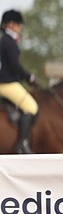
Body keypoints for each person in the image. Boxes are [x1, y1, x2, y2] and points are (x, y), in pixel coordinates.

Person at [0, 9, 38, 154]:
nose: (20, 27)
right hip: (6, 83)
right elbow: (15, 66)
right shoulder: (8, 42)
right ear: (10, 24)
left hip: (7, 81)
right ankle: (21, 143)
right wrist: (30, 77)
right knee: (31, 107)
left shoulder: (6, 40)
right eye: (17, 24)